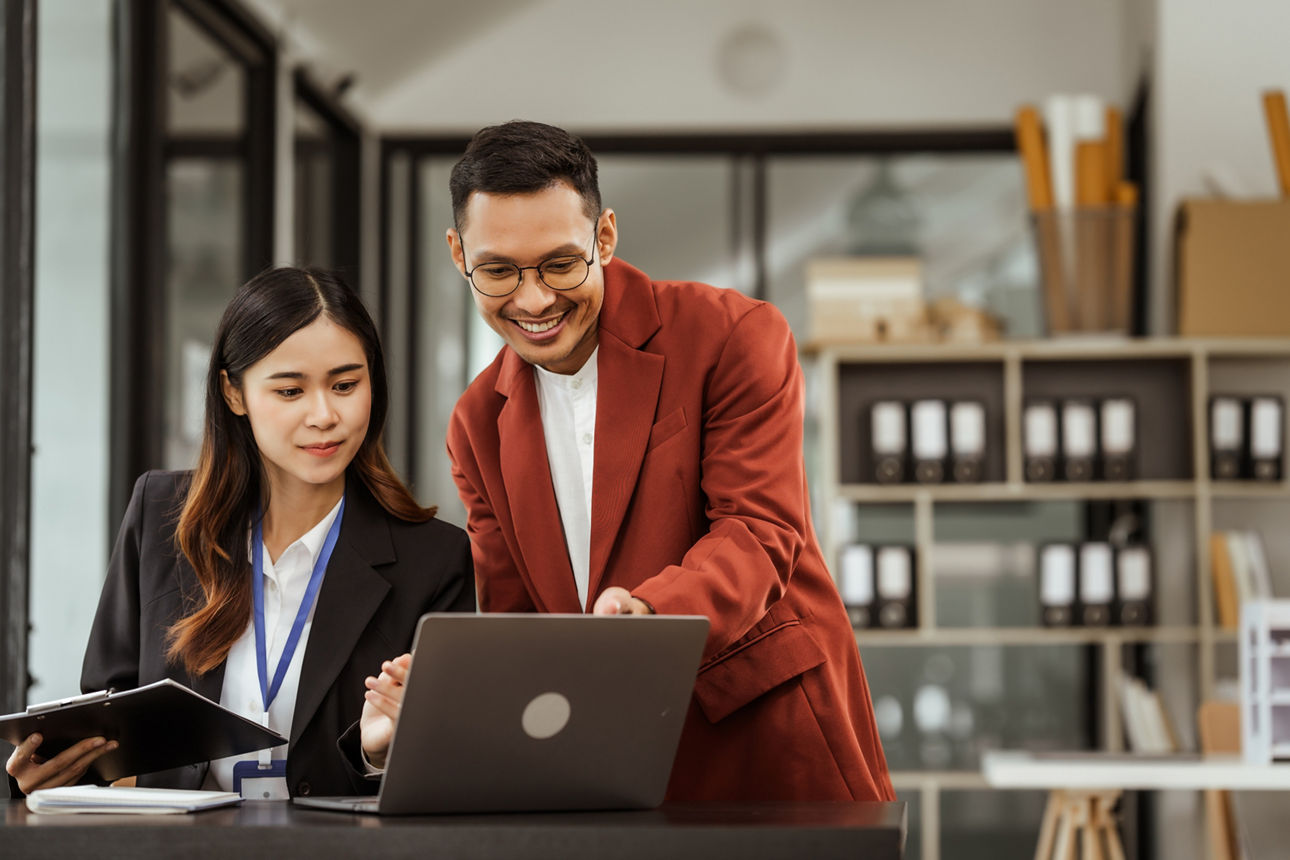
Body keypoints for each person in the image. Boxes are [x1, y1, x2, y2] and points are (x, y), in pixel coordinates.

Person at [439, 120, 894, 802]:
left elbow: (758, 531)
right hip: (608, 772)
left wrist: (650, 613)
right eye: (498, 271)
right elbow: (515, 622)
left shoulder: (731, 336)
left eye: (561, 264)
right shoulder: (477, 424)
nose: (533, 301)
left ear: (606, 237)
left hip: (768, 744)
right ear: (458, 255)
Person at [6, 267, 473, 798]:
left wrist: (379, 755)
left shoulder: (435, 559)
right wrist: (56, 776)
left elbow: (450, 773)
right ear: (234, 393)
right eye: (290, 390)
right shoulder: (160, 517)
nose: (325, 415)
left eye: (345, 385)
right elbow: (108, 727)